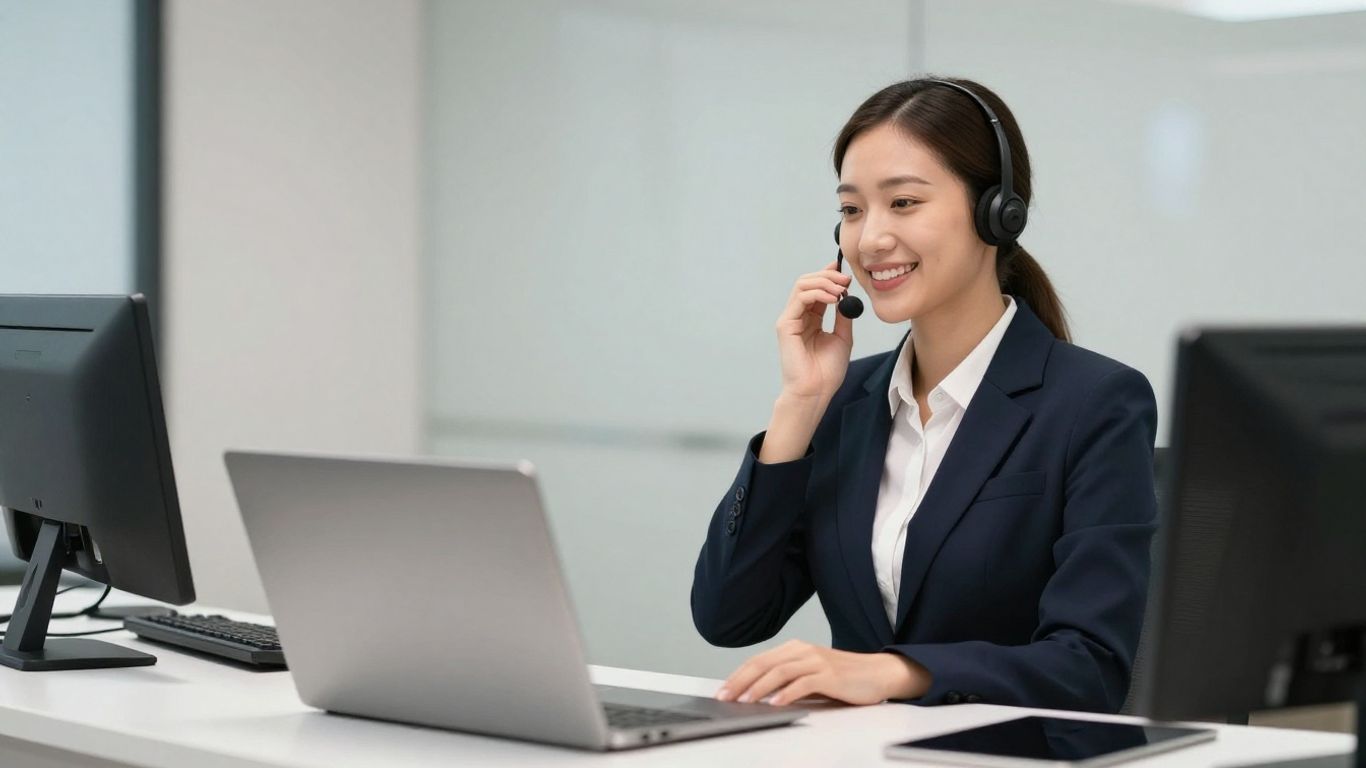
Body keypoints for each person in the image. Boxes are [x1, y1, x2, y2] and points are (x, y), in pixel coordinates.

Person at [690, 77, 1158, 714]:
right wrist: (798, 406)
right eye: (852, 210)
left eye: (903, 202)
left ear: (997, 212)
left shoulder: (1096, 403)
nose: (870, 239)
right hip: (861, 753)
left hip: (1006, 754)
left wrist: (896, 673)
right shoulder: (845, 402)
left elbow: (1090, 668)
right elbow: (728, 616)